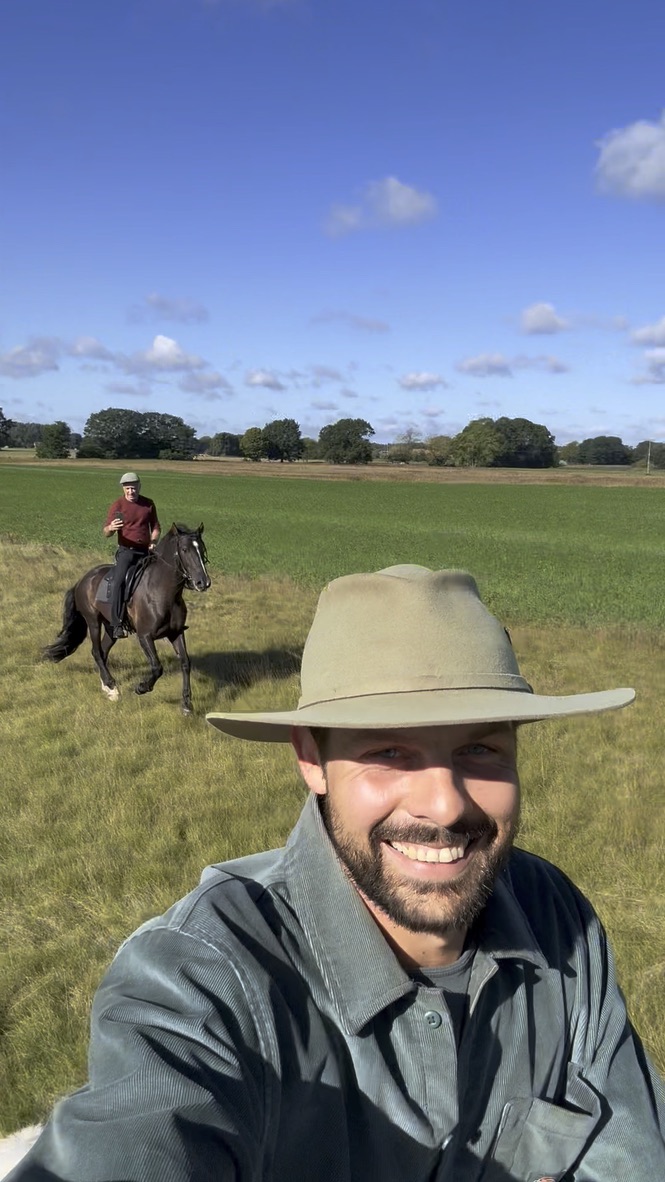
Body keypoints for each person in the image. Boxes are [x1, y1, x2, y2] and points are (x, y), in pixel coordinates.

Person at [9, 566, 664, 1181]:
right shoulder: (202, 975)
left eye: (480, 748)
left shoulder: (558, 920)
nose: (445, 804)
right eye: (387, 752)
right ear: (310, 758)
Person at [103, 471, 160, 639]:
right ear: (123, 489)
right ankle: (116, 624)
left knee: (164, 576)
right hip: (126, 552)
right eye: (127, 488)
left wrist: (154, 541)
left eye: (134, 488)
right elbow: (106, 533)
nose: (131, 492)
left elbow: (156, 527)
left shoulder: (148, 504)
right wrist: (111, 528)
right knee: (119, 582)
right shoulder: (117, 506)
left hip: (146, 552)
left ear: (139, 487)